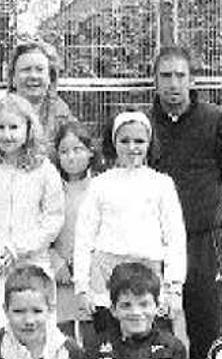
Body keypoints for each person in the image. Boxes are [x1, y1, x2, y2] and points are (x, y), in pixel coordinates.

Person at [146, 45, 222, 359]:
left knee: (207, 334)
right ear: (154, 81)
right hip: (154, 249)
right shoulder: (142, 125)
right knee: (156, 335)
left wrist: (214, 211)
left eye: (180, 75)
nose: (173, 83)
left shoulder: (217, 120)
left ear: (192, 80)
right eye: (165, 76)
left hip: (203, 244)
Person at [74, 111, 186, 341]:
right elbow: (84, 237)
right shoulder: (99, 184)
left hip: (150, 276)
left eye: (139, 141)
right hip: (106, 279)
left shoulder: (162, 184)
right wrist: (82, 287)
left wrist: (174, 288)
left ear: (149, 143)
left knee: (155, 348)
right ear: (113, 143)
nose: (132, 147)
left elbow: (175, 238)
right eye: (124, 141)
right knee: (110, 346)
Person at [0, 93, 65, 333]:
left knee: (37, 332)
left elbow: (53, 219)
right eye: (0, 127)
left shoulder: (44, 170)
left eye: (14, 127)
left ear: (28, 128)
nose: (7, 135)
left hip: (34, 265)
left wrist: (16, 248)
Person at [0, 39, 77, 158]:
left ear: (50, 78)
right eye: (26, 70)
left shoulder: (63, 117)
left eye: (40, 70)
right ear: (12, 78)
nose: (33, 76)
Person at [48, 121, 100, 348]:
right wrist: (57, 262)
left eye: (77, 150)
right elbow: (41, 229)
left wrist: (83, 265)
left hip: (91, 275)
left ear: (90, 152)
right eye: (64, 151)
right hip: (59, 276)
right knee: (63, 339)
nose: (71, 157)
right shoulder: (51, 187)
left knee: (92, 336)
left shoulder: (99, 187)